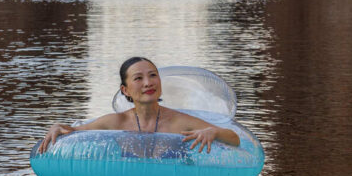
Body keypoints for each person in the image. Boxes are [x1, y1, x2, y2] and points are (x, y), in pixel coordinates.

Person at [39, 56, 240, 153]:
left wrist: (213, 132)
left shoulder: (179, 121)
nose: (148, 83)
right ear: (125, 90)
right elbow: (73, 131)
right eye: (138, 78)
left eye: (153, 75)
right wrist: (57, 126)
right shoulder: (116, 122)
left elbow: (234, 139)